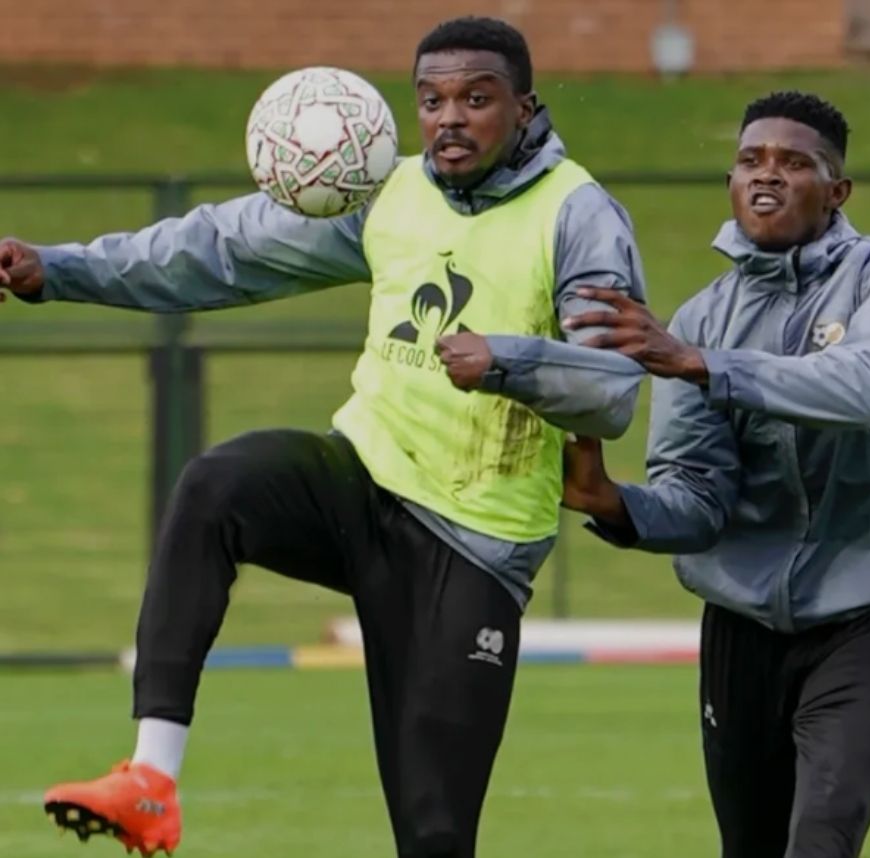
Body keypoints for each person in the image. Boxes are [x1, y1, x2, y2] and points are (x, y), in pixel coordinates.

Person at [0, 16, 646, 858]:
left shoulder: (579, 215)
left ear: (527, 109)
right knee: (215, 486)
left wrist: (505, 362)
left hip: (476, 549)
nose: (450, 117)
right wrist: (58, 269)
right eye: (432, 99)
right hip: (362, 483)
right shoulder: (390, 192)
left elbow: (612, 395)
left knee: (436, 832)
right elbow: (220, 250)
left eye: (476, 99)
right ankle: (150, 780)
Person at [558, 91, 870, 858]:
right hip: (742, 632)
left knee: (821, 837)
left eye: (793, 162)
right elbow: (700, 502)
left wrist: (702, 365)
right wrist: (614, 505)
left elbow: (865, 386)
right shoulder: (703, 317)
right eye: (749, 160)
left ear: (836, 192)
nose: (765, 175)